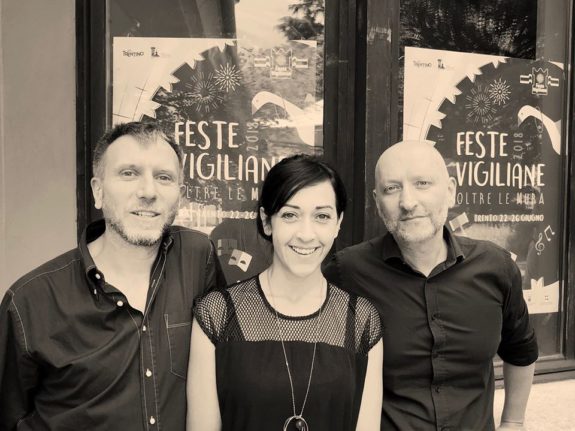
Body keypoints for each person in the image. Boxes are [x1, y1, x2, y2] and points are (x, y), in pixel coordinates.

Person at [0, 121, 224, 430]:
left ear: (180, 196)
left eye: (163, 177)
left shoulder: (198, 258)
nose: (148, 192)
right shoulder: (30, 302)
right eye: (129, 173)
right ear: (98, 191)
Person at [323, 141, 538, 431]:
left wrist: (513, 422)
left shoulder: (496, 267)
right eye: (391, 188)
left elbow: (521, 349)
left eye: (422, 183)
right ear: (377, 202)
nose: (407, 202)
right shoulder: (346, 272)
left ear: (450, 191)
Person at [187, 154, 384, 431]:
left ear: (338, 223)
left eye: (322, 216)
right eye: (290, 215)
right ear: (267, 221)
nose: (306, 234)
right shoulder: (217, 314)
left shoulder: (361, 320)